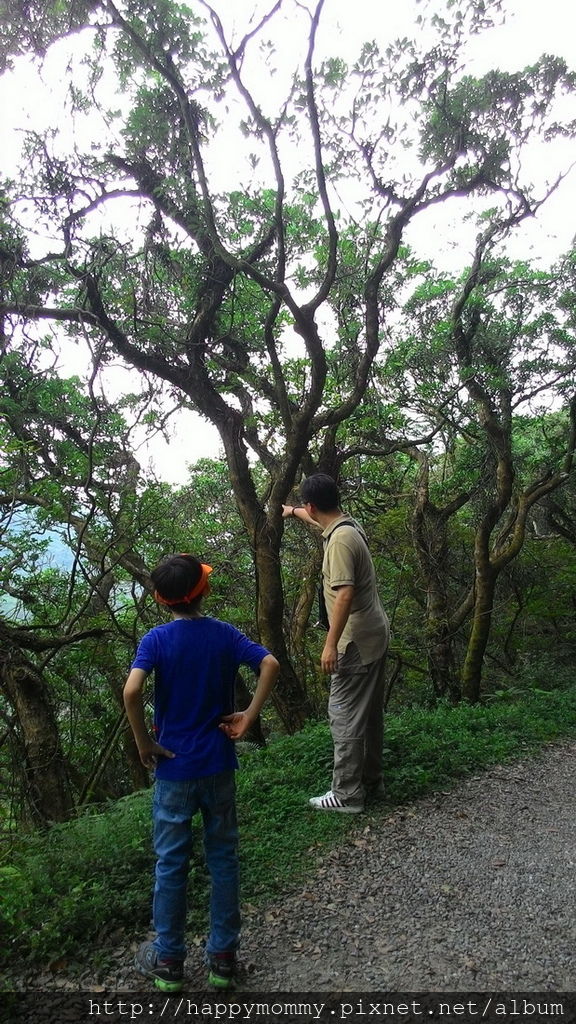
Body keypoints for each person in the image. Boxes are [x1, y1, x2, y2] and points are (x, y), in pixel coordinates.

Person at [123, 553, 279, 993]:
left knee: (171, 863)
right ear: (203, 590)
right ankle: (223, 959)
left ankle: (169, 959)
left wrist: (144, 743)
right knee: (223, 857)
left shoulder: (155, 640)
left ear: (160, 599)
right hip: (216, 764)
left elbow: (132, 690)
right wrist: (248, 715)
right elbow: (270, 664)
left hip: (173, 769)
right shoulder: (224, 635)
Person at [283, 474, 389, 813]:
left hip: (354, 642)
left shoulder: (340, 542)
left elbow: (344, 594)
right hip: (373, 634)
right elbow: (320, 524)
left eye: (306, 507)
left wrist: (330, 646)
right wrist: (292, 511)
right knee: (368, 714)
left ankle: (346, 795)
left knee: (343, 715)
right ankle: (371, 780)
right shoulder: (347, 526)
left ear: (314, 505)